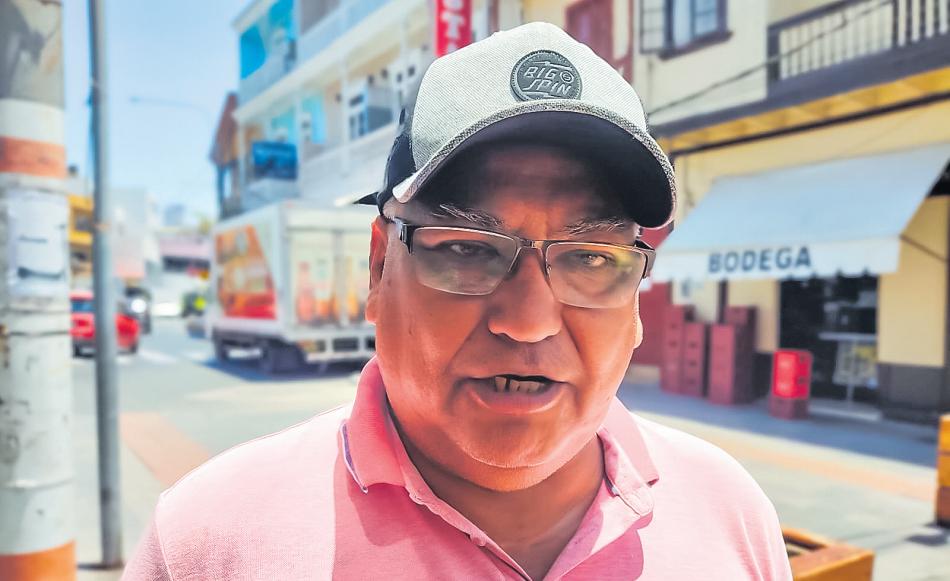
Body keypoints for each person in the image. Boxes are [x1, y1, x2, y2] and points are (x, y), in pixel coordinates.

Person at [123, 22, 791, 580]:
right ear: (379, 267)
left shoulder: (729, 511)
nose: (528, 321)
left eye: (590, 257)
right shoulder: (210, 544)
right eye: (468, 249)